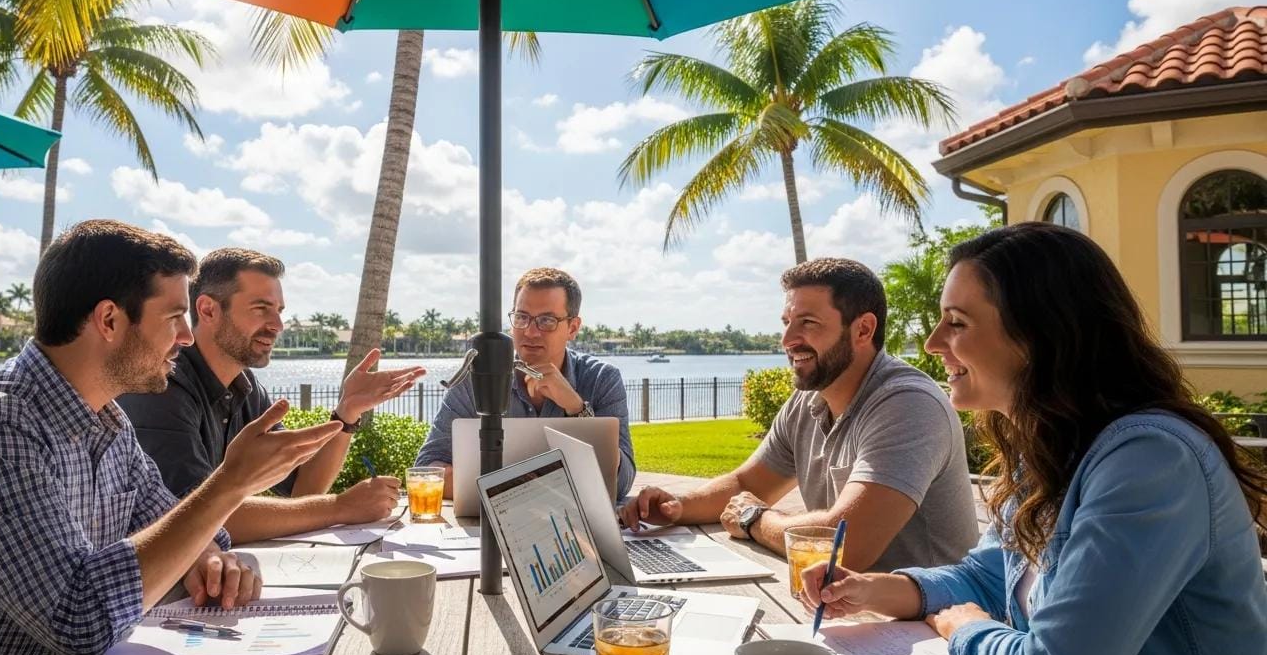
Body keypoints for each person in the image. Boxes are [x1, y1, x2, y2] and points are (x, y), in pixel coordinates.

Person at [0, 221, 341, 655]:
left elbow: (181, 525)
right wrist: (230, 483)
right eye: (174, 318)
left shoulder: (107, 422)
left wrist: (214, 558)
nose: (187, 338)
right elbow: (81, 617)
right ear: (109, 320)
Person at [799, 223, 1267, 655]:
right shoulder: (1051, 446)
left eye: (957, 322)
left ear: (1039, 335)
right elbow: (985, 577)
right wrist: (874, 590)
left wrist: (965, 629)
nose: (933, 342)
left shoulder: (1150, 463)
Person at [621, 258, 978, 572]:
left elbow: (845, 546)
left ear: (863, 330)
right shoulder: (808, 401)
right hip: (851, 609)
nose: (788, 339)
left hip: (933, 627)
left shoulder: (907, 405)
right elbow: (748, 484)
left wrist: (754, 519)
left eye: (807, 323)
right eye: (786, 322)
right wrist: (676, 506)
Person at [118, 248, 425, 544]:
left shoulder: (245, 387)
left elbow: (302, 489)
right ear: (208, 310)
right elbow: (195, 518)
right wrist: (340, 507)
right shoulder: (162, 387)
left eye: (278, 311)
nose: (277, 326)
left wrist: (347, 411)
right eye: (261, 309)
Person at [413, 267, 635, 501]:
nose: (530, 332)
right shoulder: (476, 379)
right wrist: (515, 489)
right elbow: (427, 469)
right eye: (522, 318)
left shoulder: (601, 378)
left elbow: (621, 481)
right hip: (486, 528)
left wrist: (576, 408)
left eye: (546, 320)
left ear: (573, 328)